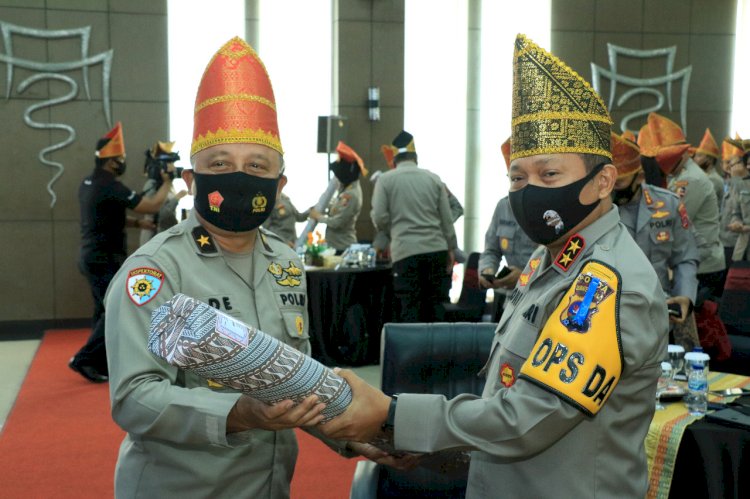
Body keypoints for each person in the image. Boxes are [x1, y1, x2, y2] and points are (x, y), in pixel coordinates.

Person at [319, 34, 668, 499]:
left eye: (549, 174)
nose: (528, 190)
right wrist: (423, 442)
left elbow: (529, 417)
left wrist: (393, 415)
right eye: (517, 177)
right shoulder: (551, 255)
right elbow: (504, 393)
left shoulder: (607, 283)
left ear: (603, 181)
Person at [104, 37, 363, 498]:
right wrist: (237, 413)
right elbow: (133, 399)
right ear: (192, 180)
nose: (239, 177)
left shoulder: (286, 262)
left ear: (279, 186)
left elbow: (294, 377)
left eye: (257, 166)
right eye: (219, 163)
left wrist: (349, 434)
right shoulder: (156, 271)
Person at [69, 122, 173, 383]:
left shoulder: (89, 183)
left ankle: (99, 361)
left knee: (102, 310)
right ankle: (84, 359)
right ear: (111, 161)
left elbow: (106, 216)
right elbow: (151, 204)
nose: (123, 163)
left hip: (89, 255)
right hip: (104, 257)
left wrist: (138, 224)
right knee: (115, 310)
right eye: (121, 159)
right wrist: (170, 183)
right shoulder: (112, 186)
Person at [611, 131, 700, 348]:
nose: (612, 188)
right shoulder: (597, 208)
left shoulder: (668, 204)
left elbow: (685, 257)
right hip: (610, 314)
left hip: (658, 312)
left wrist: (685, 296)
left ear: (640, 177)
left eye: (620, 182)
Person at [371, 130, 458, 322]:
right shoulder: (433, 178)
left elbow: (379, 217)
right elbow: (446, 220)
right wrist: (451, 248)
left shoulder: (385, 181)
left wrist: (394, 231)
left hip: (405, 253)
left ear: (394, 160)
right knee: (436, 308)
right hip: (436, 252)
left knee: (410, 309)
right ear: (415, 157)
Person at [639, 113, 725, 303]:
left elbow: (672, 222)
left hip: (703, 263)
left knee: (692, 317)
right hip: (693, 258)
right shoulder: (680, 177)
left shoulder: (691, 179)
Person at [479, 137, 538, 320]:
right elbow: (491, 250)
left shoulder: (551, 211)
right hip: (506, 297)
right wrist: (487, 271)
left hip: (537, 298)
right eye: (515, 178)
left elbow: (558, 261)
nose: (519, 184)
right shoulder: (503, 207)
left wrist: (525, 276)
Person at [309, 141, 367, 253]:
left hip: (342, 248)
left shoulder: (351, 194)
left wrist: (318, 217)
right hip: (335, 246)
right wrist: (320, 208)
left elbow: (337, 222)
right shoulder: (345, 189)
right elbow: (335, 208)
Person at [139, 140, 189, 245]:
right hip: (153, 236)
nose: (173, 167)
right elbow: (162, 213)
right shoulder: (152, 184)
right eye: (170, 163)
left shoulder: (169, 183)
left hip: (166, 234)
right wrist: (177, 197)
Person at [692, 128, 724, 204]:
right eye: (695, 156)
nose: (695, 159)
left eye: (699, 156)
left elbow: (698, 201)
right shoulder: (704, 176)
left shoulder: (713, 179)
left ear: (710, 160)